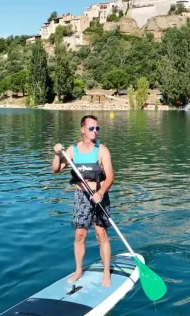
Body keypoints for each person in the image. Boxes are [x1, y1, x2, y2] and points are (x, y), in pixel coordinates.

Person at [52, 115, 114, 287]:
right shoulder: (72, 150)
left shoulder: (102, 150)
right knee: (80, 234)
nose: (95, 131)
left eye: (97, 128)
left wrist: (101, 192)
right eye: (92, 128)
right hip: (81, 196)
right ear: (82, 130)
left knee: (101, 234)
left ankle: (106, 272)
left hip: (99, 195)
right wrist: (57, 154)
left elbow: (110, 177)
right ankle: (79, 270)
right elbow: (55, 169)